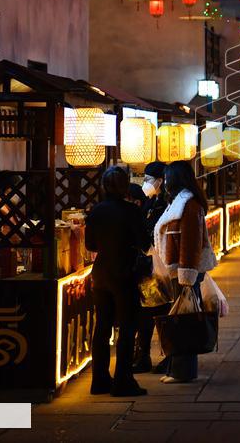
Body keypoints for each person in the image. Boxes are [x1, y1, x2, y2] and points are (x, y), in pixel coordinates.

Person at [85, 166, 151, 397]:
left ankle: (100, 380)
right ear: (125, 186)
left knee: (102, 327)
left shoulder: (96, 211)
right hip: (124, 272)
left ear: (104, 186)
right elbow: (144, 242)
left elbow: (90, 245)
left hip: (101, 272)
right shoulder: (131, 211)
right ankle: (123, 380)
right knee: (127, 326)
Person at [154, 160, 215, 384]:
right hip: (176, 271)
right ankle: (177, 368)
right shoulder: (179, 202)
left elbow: (190, 243)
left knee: (185, 321)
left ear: (177, 179)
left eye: (168, 178)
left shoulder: (189, 205)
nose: (165, 182)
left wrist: (186, 276)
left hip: (184, 272)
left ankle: (183, 370)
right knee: (180, 319)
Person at [132, 161, 169, 374]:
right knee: (147, 313)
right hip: (148, 266)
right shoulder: (151, 201)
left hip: (160, 266)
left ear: (160, 180)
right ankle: (143, 355)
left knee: (161, 312)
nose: (146, 183)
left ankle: (168, 354)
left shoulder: (164, 203)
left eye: (148, 179)